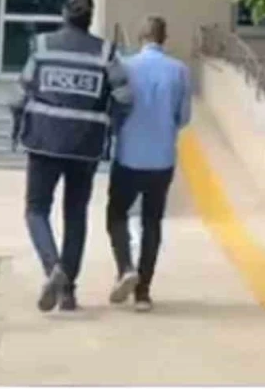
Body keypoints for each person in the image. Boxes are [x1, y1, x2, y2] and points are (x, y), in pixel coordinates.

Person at [10, 0, 133, 313]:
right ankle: (67, 293)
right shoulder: (105, 52)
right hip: (85, 145)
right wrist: (111, 124)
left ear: (64, 13)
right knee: (75, 214)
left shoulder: (43, 46)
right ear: (90, 18)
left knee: (36, 209)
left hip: (43, 140)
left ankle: (53, 268)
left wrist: (17, 121)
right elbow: (125, 97)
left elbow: (19, 93)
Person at [106, 16, 192, 313]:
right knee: (152, 222)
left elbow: (115, 108)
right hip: (162, 159)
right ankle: (143, 292)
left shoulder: (125, 67)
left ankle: (125, 267)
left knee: (116, 213)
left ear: (141, 37)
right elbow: (184, 117)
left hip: (128, 155)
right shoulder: (179, 70)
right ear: (164, 38)